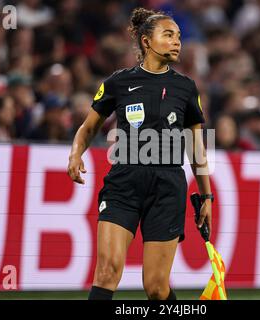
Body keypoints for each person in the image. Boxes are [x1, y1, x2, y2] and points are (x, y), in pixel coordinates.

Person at [67, 8, 213, 300]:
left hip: (167, 188)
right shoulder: (118, 83)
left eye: (179, 37)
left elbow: (196, 149)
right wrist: (75, 154)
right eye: (168, 35)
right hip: (124, 183)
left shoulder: (186, 88)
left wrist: (206, 196)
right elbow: (88, 128)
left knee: (157, 289)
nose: (177, 42)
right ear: (147, 41)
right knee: (107, 271)